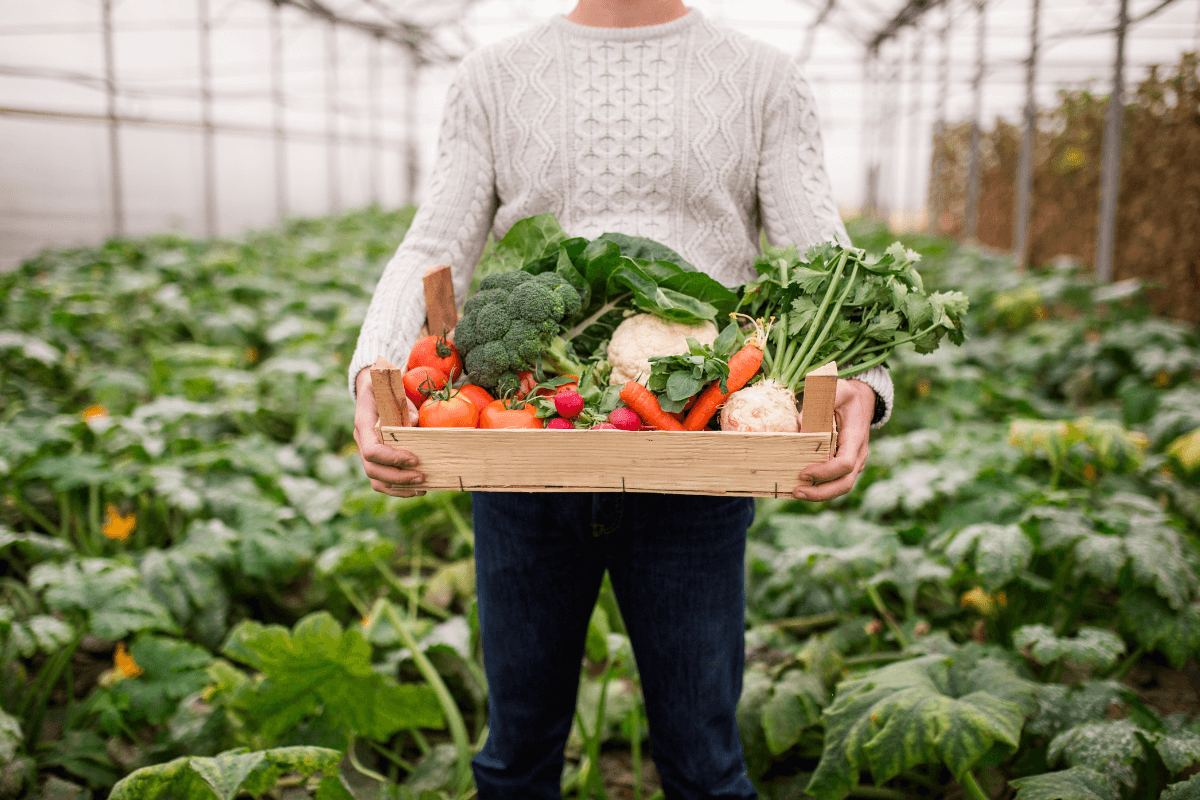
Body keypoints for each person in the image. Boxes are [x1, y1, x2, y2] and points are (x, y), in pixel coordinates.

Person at [348, 0, 895, 796]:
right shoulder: (491, 78)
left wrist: (861, 383)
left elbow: (820, 249)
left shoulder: (764, 79)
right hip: (523, 454)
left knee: (705, 763)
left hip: (695, 465)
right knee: (515, 756)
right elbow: (437, 245)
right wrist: (373, 368)